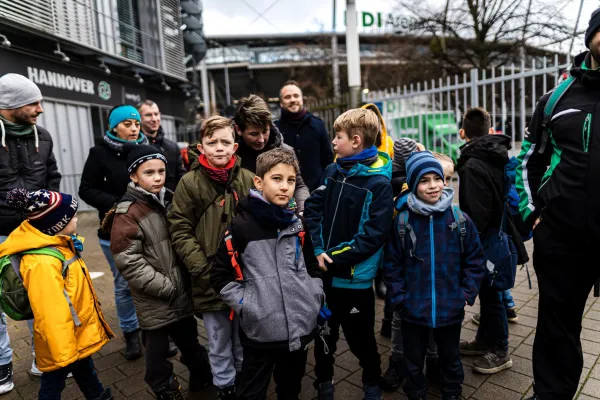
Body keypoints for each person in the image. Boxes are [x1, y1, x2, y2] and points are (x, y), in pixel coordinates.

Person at [515, 9, 600, 399]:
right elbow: (527, 160)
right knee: (556, 326)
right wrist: (534, 215)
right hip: (562, 237)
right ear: (591, 37)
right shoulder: (556, 98)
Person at [211, 148, 325, 400]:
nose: (285, 187)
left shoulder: (298, 224)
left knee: (291, 389)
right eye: (277, 179)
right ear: (259, 182)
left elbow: (311, 265)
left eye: (291, 180)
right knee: (252, 392)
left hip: (300, 329)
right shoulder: (241, 226)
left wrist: (314, 293)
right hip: (259, 333)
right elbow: (220, 274)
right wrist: (247, 305)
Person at [107, 145, 212, 399]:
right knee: (156, 355)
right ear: (134, 176)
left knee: (190, 343)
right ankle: (165, 389)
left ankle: (203, 379)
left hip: (180, 294)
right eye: (149, 172)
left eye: (161, 171)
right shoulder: (127, 213)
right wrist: (166, 286)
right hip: (155, 299)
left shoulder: (170, 199)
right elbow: (128, 261)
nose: (157, 178)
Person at [304, 108, 394, 400]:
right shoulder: (332, 171)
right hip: (326, 277)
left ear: (356, 141)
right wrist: (318, 250)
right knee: (324, 336)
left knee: (362, 339)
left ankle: (371, 381)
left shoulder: (378, 184)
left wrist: (331, 259)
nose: (332, 141)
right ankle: (324, 382)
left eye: (337, 136)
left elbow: (371, 237)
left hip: (354, 283)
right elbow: (313, 209)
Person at [384, 151, 485, 400]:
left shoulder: (459, 220)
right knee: (412, 361)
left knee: (451, 358)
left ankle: (452, 393)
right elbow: (392, 264)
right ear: (413, 184)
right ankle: (416, 393)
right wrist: (400, 298)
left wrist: (464, 294)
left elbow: (476, 260)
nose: (433, 186)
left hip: (450, 309)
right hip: (412, 311)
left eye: (437, 179)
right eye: (424, 180)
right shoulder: (403, 222)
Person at [169, 116, 254, 400]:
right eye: (212, 142)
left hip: (244, 278)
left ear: (235, 146)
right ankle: (225, 385)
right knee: (218, 339)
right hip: (208, 279)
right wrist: (203, 269)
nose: (219, 148)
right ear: (201, 146)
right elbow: (180, 229)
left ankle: (243, 378)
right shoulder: (189, 183)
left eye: (225, 142)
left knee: (244, 336)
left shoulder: (246, 179)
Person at [0, 188, 114, 400]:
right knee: (53, 383)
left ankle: (98, 395)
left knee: (84, 368)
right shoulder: (43, 262)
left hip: (72, 331)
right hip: (61, 340)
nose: (77, 218)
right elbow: (50, 312)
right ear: (57, 224)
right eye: (72, 216)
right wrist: (64, 351)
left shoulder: (57, 245)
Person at [0, 73, 62, 385]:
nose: (40, 108)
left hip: (35, 234)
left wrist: (50, 210)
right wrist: (15, 200)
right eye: (33, 102)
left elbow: (53, 176)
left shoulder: (45, 136)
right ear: (11, 105)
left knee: (39, 296)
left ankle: (42, 354)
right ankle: (1, 364)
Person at [79, 104, 154, 360]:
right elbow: (86, 189)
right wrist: (118, 205)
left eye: (136, 124)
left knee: (149, 280)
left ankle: (152, 331)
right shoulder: (99, 153)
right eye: (127, 124)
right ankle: (131, 333)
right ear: (114, 126)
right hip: (112, 230)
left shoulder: (148, 149)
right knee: (124, 284)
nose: (134, 129)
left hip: (147, 227)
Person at [457, 108, 528, 375]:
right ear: (489, 131)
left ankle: (499, 350)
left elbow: (477, 213)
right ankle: (484, 341)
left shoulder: (473, 163)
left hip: (485, 240)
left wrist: (465, 243)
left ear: (463, 132)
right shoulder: (495, 153)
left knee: (493, 294)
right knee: (489, 293)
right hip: (498, 234)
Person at [231, 94, 309, 212]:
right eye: (254, 134)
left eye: (265, 131)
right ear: (239, 130)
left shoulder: (285, 151)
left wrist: (302, 210)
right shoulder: (229, 155)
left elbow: (299, 186)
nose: (261, 139)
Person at [275, 81, 334, 191]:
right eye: (287, 97)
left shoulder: (318, 125)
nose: (293, 100)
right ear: (281, 103)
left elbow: (328, 159)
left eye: (296, 96)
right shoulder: (275, 130)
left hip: (317, 191)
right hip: (285, 192)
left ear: (302, 99)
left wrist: (324, 185)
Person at [137, 100, 186, 192]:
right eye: (148, 115)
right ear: (139, 118)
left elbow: (182, 177)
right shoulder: (135, 147)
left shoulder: (173, 147)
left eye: (156, 114)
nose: (154, 119)